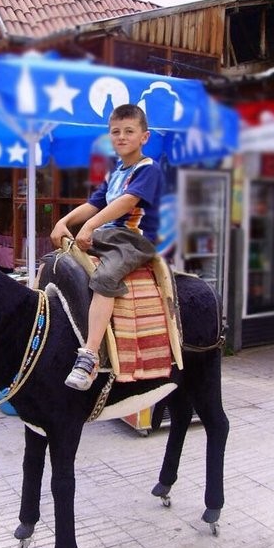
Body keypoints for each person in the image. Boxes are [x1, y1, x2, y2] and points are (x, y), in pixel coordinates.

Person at [50, 103, 164, 391]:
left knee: (105, 277)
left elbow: (126, 202)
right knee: (57, 262)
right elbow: (94, 203)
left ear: (144, 137)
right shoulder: (116, 172)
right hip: (107, 236)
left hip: (133, 240)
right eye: (116, 132)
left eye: (129, 131)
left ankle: (88, 356)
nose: (122, 137)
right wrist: (63, 221)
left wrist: (88, 228)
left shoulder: (148, 169)